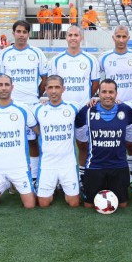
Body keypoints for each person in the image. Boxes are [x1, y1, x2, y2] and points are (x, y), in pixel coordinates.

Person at [99, 26, 132, 182]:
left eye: (124, 37)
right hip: (110, 107)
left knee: (131, 143)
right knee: (111, 142)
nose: (121, 40)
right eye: (118, 36)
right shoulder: (104, 58)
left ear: (128, 38)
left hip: (131, 107)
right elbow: (94, 77)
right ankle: (111, 171)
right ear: (113, 37)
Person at [0, 20, 48, 186]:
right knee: (12, 142)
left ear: (28, 34)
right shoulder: (4, 54)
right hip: (10, 105)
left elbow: (44, 79)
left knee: (32, 141)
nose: (21, 35)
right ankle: (12, 178)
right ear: (13, 33)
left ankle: (33, 177)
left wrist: (36, 95)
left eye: (24, 32)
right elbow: (1, 79)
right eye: (18, 31)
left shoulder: (37, 53)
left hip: (31, 105)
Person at [75, 79, 132, 209]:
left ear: (116, 93)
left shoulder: (126, 110)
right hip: (95, 165)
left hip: (119, 165)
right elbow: (80, 136)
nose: (107, 95)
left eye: (111, 92)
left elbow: (131, 137)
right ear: (98, 93)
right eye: (104, 92)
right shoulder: (87, 110)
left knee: (122, 205)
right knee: (88, 205)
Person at [49, 26, 100, 182]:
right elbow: (52, 84)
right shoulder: (56, 60)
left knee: (83, 145)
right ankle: (58, 177)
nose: (73, 38)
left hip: (83, 110)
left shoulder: (90, 59)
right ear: (66, 38)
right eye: (70, 35)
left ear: (81, 38)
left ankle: (82, 176)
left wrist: (86, 100)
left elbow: (95, 83)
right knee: (60, 145)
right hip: (61, 110)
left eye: (76, 35)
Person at [0, 75, 37, 210]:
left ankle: (15, 183)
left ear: (12, 87)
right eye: (0, 85)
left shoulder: (23, 109)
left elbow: (38, 130)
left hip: (20, 167)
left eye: (6, 85)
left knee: (30, 205)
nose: (3, 88)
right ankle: (5, 184)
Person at [33, 75, 81, 208]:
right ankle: (52, 186)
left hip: (68, 163)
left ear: (63, 89)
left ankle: (62, 186)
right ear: (45, 89)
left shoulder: (74, 107)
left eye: (57, 87)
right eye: (50, 88)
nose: (53, 91)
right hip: (47, 163)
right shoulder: (37, 109)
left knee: (74, 203)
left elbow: (92, 106)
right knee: (43, 204)